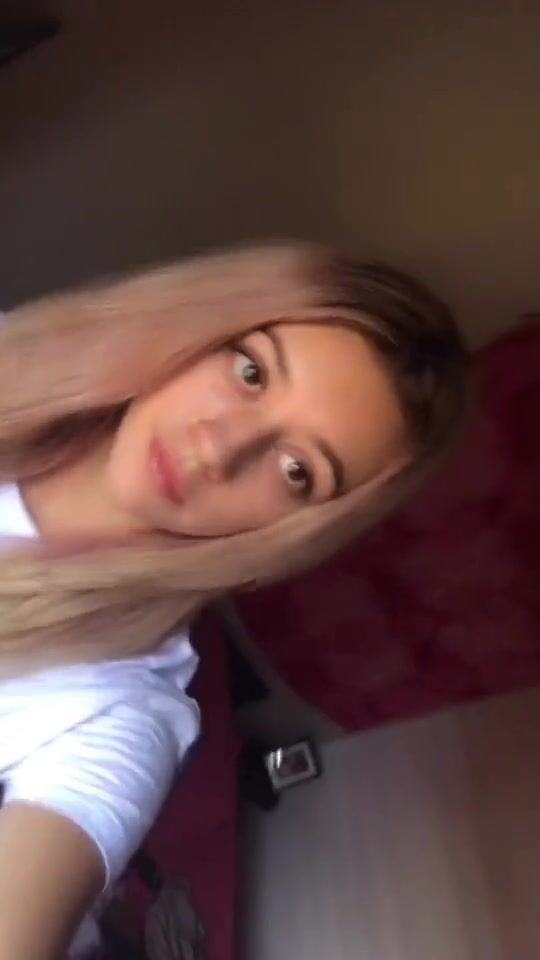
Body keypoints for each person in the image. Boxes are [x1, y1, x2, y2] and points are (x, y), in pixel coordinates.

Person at [0, 242, 468, 958]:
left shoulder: (118, 717)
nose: (219, 451)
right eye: (251, 371)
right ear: (200, 325)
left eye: (297, 471)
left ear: (299, 533)